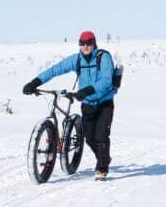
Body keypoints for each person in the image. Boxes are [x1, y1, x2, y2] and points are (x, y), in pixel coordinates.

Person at [23, 31, 116, 180]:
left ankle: (102, 169)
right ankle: (103, 156)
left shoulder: (103, 57)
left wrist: (87, 90)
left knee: (101, 136)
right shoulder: (77, 59)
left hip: (104, 103)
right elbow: (56, 69)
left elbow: (106, 80)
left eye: (89, 43)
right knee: (89, 137)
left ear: (94, 44)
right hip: (87, 103)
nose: (85, 46)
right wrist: (35, 82)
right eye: (82, 43)